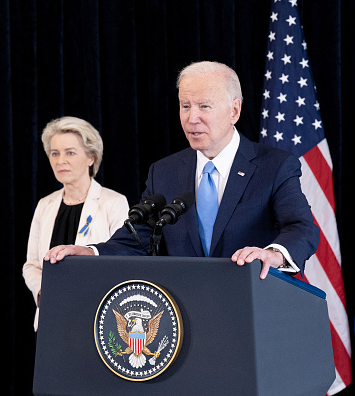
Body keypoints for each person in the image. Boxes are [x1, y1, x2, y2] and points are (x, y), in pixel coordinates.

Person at [44, 61, 319, 279]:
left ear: (234, 110)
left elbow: (301, 228)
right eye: (185, 106)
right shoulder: (164, 171)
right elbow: (138, 239)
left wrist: (273, 254)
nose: (192, 118)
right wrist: (90, 252)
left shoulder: (274, 165)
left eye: (204, 107)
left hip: (251, 308)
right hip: (185, 317)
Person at [23, 116, 129, 331]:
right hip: (51, 317)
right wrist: (43, 292)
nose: (60, 160)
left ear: (91, 157)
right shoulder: (45, 205)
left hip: (97, 317)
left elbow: (124, 260)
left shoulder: (114, 202)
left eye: (70, 152)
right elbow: (31, 265)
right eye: (55, 153)